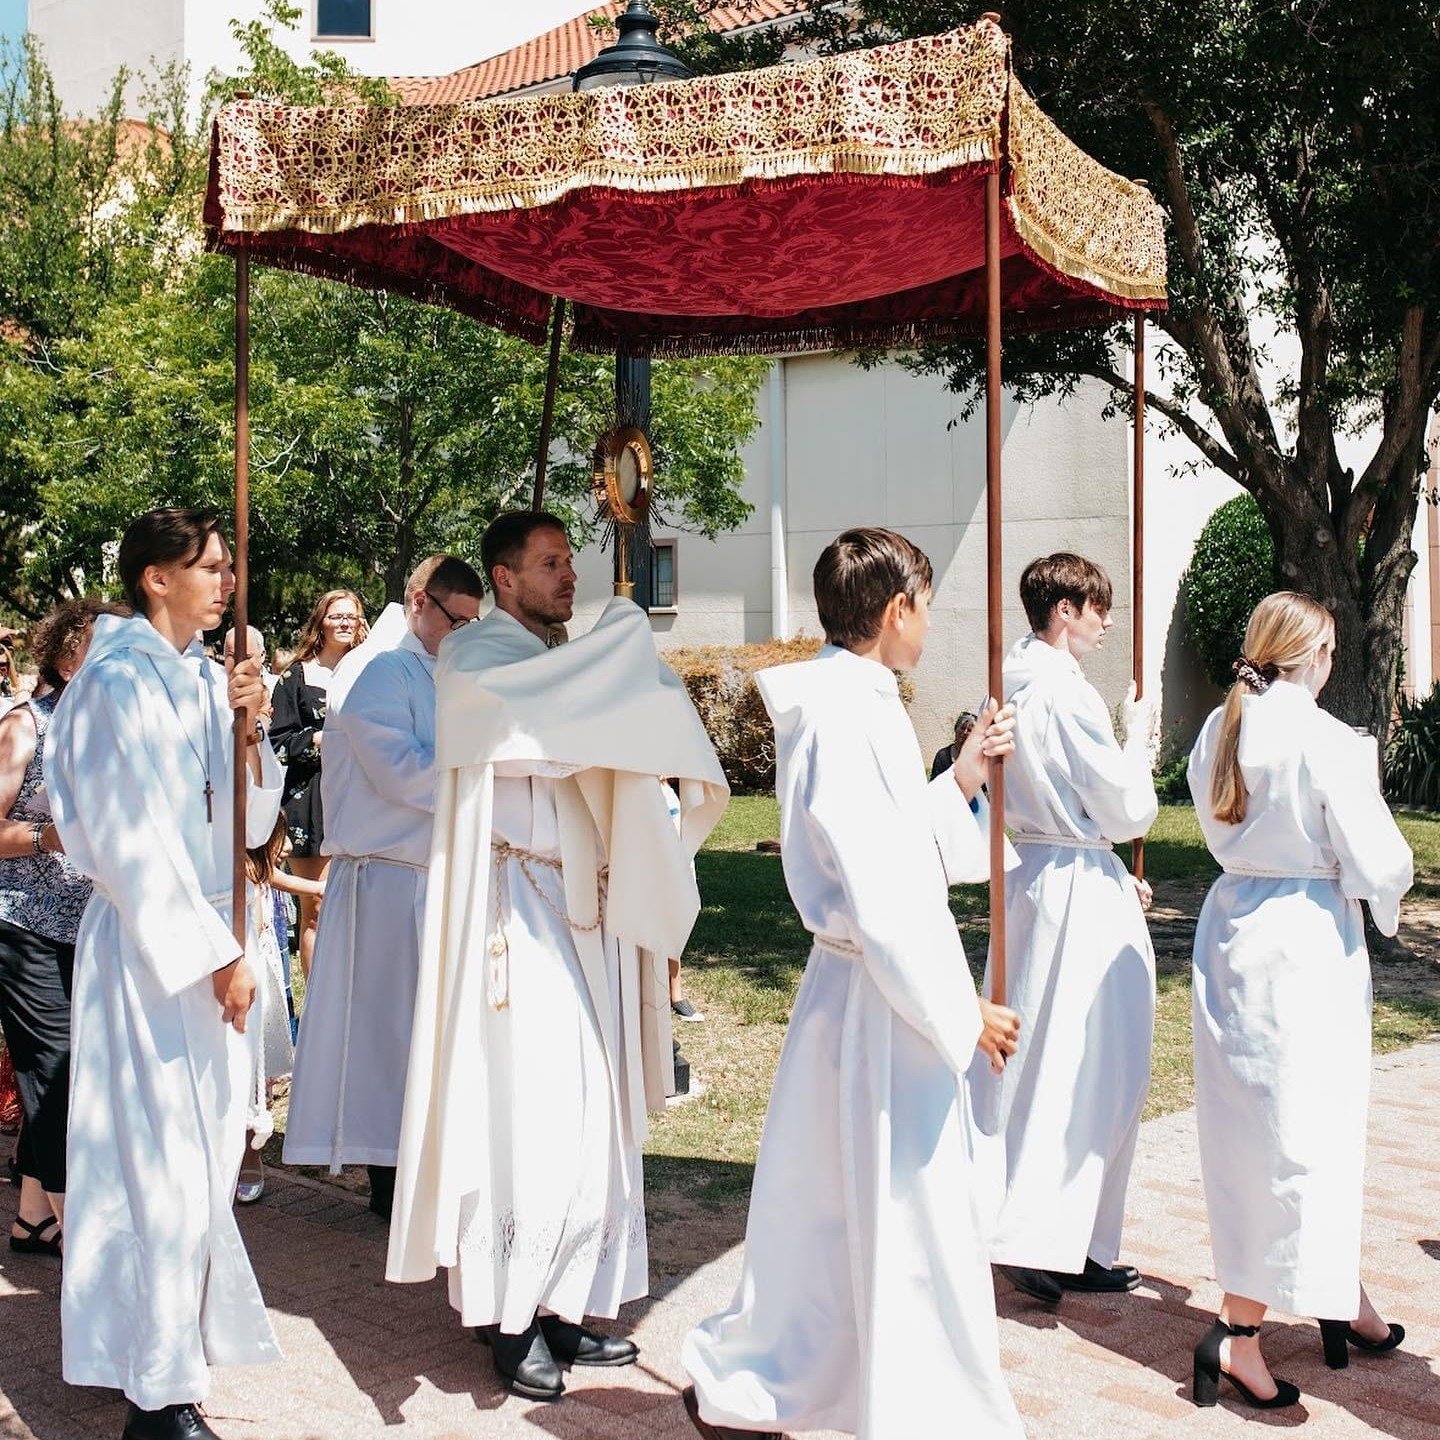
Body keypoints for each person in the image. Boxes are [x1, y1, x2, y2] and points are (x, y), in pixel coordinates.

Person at [682, 527, 1024, 1440]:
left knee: (835, 1203)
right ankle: (919, 1402)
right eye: (927, 600)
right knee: (904, 1206)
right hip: (886, 999)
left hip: (860, 990)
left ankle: (813, 1374)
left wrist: (960, 775)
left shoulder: (847, 698)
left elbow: (891, 838)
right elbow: (886, 892)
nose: (933, 620)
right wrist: (963, 1013)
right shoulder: (853, 709)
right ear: (897, 608)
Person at [388, 511, 728, 1404]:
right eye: (549, 563)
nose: (568, 575)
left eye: (571, 561)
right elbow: (544, 725)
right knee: (526, 1110)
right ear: (503, 578)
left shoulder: (564, 655)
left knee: (589, 1113)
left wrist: (617, 655)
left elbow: (624, 715)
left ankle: (569, 1303)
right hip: (512, 913)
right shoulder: (476, 660)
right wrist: (619, 644)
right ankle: (509, 1320)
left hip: (582, 908)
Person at [46, 507, 284, 1440]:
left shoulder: (196, 677)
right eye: (211, 567)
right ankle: (157, 1398)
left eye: (227, 567)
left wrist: (252, 731)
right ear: (157, 576)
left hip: (208, 945)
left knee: (205, 1159)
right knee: (158, 1166)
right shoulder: (112, 684)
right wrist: (219, 955)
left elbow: (247, 822)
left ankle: (159, 1354)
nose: (227, 581)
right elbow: (131, 842)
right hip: (155, 957)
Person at [1186, 592, 1411, 1411]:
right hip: (1306, 940)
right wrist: (1376, 892)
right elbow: (1381, 860)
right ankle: (1240, 1331)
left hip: (1231, 929)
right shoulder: (1323, 737)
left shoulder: (1223, 726)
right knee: (1309, 1128)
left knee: (1257, 1131)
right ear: (1312, 653)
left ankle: (1335, 1287)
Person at [970, 553, 1157, 1308]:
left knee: (1031, 1059)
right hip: (1074, 884)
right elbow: (1124, 808)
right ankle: (1051, 1235)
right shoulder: (1064, 694)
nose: (1109, 622)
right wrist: (1138, 739)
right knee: (1090, 1063)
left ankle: (1041, 1224)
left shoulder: (1009, 682)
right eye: (1098, 607)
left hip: (1031, 876)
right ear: (1067, 609)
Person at [283, 557, 483, 1221]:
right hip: (385, 876)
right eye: (457, 620)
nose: (464, 635)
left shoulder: (438, 664)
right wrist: (483, 779)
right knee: (386, 1034)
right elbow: (400, 771)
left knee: (427, 1033)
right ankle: (389, 1178)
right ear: (421, 601)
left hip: (432, 874)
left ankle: (423, 1165)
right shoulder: (374, 669)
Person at [0, 598, 126, 1258]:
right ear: (71, 657)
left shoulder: (117, 733)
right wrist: (52, 836)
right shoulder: (28, 727)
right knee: (56, 1074)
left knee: (83, 1073)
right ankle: (86, 1245)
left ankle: (32, 1220)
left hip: (101, 931)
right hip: (24, 928)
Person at [270, 589, 367, 977]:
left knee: (361, 910)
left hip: (364, 798)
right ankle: (317, 1014)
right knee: (318, 910)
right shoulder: (296, 675)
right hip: (311, 801)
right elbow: (276, 741)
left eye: (352, 616)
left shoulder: (372, 670)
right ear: (320, 623)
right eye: (336, 616)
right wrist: (318, 739)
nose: (345, 623)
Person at [235, 814, 301, 1207]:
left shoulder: (258, 870)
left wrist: (315, 887)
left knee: (256, 1074)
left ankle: (250, 1154)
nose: (289, 846)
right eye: (281, 837)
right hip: (240, 965)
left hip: (262, 969)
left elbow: (271, 877)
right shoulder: (234, 863)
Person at [930, 710, 978, 781]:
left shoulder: (978, 758)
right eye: (962, 728)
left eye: (969, 730)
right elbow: (934, 783)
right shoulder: (943, 756)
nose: (965, 732)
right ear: (956, 729)